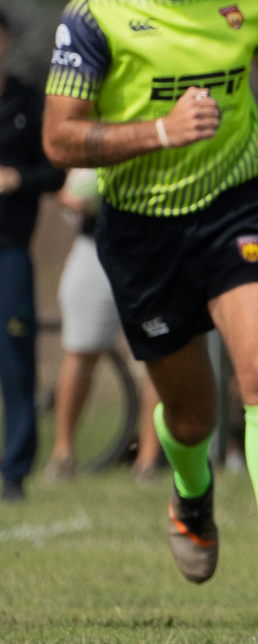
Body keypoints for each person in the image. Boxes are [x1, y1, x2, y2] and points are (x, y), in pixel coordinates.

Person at [41, 0, 258, 628]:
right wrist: (161, 131)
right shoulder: (93, 13)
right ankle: (192, 494)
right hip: (139, 229)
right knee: (192, 416)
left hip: (236, 205)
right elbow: (60, 141)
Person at [45, 168, 164, 483]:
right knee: (81, 350)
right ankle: (63, 456)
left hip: (153, 249)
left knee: (159, 356)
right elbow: (54, 169)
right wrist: (67, 192)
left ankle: (148, 462)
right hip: (94, 247)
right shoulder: (93, 121)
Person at [0, 7, 66, 502]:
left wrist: (17, 178)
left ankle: (14, 472)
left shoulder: (26, 102)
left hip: (10, 255)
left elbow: (57, 171)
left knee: (16, 360)